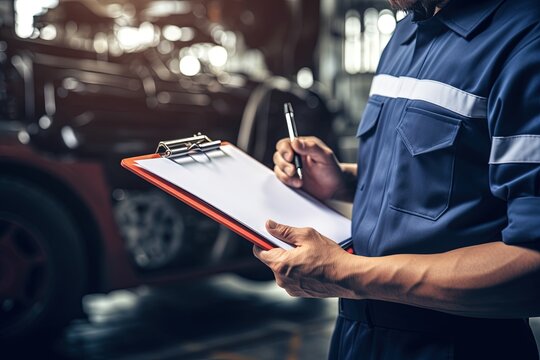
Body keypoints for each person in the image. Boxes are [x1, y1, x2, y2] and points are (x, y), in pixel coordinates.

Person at [253, 0, 540, 359]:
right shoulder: (406, 32)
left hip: (458, 345)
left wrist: (349, 273)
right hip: (354, 337)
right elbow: (446, 179)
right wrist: (342, 180)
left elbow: (533, 265)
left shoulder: (526, 40)